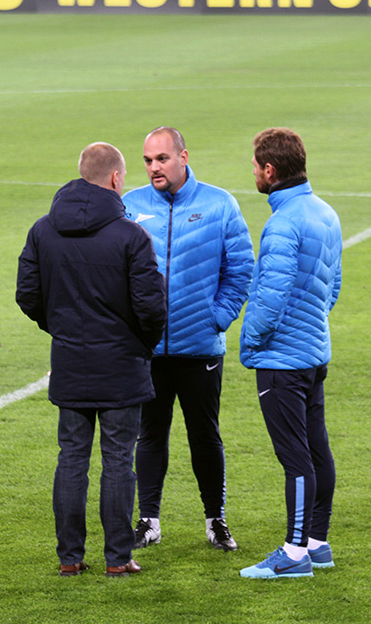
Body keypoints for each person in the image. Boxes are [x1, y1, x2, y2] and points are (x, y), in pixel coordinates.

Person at [15, 142, 167, 578]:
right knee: (118, 459)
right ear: (117, 179)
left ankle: (69, 557)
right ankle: (118, 558)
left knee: (71, 458)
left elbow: (28, 293)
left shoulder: (43, 230)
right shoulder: (132, 236)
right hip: (122, 364)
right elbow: (152, 306)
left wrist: (62, 328)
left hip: (69, 361)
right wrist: (140, 343)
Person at [121, 127, 255, 552]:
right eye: (147, 160)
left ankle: (216, 519)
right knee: (150, 434)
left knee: (205, 435)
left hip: (200, 347)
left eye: (161, 158)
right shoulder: (131, 206)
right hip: (149, 349)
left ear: (183, 156)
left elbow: (240, 269)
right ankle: (149, 520)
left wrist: (217, 318)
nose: (153, 167)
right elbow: (116, 270)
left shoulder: (220, 204)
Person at [239, 127, 342, 579]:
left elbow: (271, 295)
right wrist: (311, 321)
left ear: (270, 169)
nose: (255, 174)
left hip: (283, 360)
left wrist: (251, 340)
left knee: (295, 458)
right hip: (315, 352)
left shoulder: (283, 222)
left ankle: (295, 553)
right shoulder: (325, 212)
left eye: (256, 166)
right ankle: (318, 543)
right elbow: (332, 286)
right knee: (317, 450)